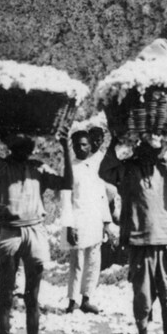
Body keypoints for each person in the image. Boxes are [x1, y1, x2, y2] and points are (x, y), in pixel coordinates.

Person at [0, 131, 73, 334]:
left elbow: (67, 182)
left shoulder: (39, 170)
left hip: (35, 230)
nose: (24, 148)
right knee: (6, 296)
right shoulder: (0, 167)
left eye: (27, 145)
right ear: (10, 147)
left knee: (32, 298)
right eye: (18, 144)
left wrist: (66, 146)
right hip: (10, 232)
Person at [99, 134, 167, 334]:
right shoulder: (127, 170)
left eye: (153, 151)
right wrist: (114, 141)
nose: (148, 155)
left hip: (165, 239)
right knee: (142, 297)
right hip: (138, 240)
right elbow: (104, 171)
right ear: (137, 150)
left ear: (158, 153)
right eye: (144, 149)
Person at [60, 131, 112, 314]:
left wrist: (106, 222)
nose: (80, 148)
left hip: (95, 221)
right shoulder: (70, 169)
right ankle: (72, 301)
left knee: (93, 261)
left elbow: (102, 195)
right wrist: (69, 225)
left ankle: (86, 299)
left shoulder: (95, 166)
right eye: (76, 145)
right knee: (78, 262)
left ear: (90, 146)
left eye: (84, 145)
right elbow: (66, 199)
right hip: (78, 221)